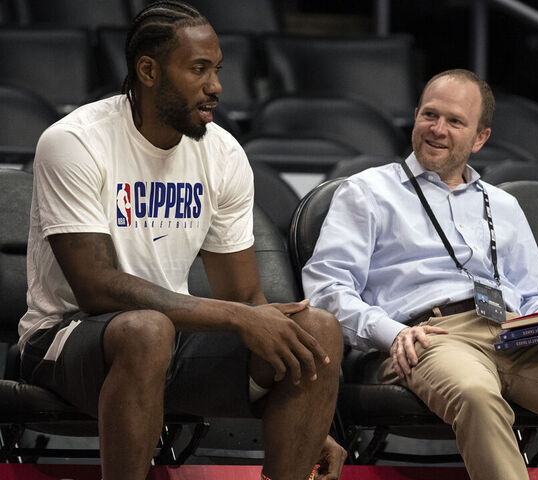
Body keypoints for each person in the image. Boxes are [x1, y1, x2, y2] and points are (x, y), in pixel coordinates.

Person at [18, 2, 346, 480]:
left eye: (216, 69)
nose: (215, 86)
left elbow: (244, 297)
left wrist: (307, 412)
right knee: (146, 330)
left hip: (173, 343)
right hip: (68, 338)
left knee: (317, 330)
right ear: (148, 70)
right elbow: (96, 288)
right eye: (198, 69)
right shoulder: (75, 141)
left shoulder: (222, 151)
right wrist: (238, 317)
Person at [302, 68, 538, 480]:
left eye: (455, 121)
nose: (437, 129)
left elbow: (533, 291)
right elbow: (327, 289)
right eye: (430, 115)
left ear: (480, 137)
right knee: (477, 395)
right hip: (429, 335)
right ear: (415, 116)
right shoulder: (367, 192)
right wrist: (390, 331)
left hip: (514, 334)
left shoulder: (503, 205)